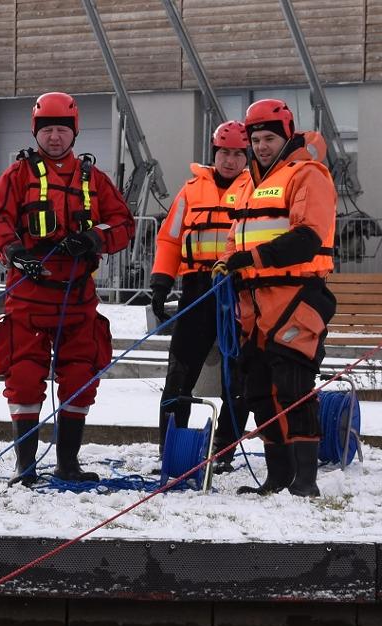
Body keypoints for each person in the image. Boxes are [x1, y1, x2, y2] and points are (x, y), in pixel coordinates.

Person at [0, 91, 136, 485]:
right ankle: (26, 467)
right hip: (29, 295)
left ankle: (69, 463)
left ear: (74, 133)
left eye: (61, 130)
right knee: (24, 377)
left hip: (78, 296)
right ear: (37, 132)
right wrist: (15, 251)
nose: (54, 137)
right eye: (47, 129)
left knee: (80, 377)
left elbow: (123, 224)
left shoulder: (95, 180)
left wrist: (93, 240)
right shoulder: (16, 176)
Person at [219, 99, 339, 497]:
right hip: (253, 302)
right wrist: (228, 263)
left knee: (293, 385)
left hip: (297, 295)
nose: (262, 146)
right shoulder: (249, 183)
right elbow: (239, 236)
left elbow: (308, 238)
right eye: (256, 139)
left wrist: (249, 258)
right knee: (259, 389)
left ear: (287, 136)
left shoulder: (308, 174)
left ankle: (305, 482)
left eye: (269, 138)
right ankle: (278, 476)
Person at [149, 120, 251, 471]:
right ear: (214, 153)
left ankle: (224, 451)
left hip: (238, 292)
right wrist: (161, 284)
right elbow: (170, 239)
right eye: (225, 153)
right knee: (179, 374)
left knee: (236, 378)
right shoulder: (191, 190)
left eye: (239, 154)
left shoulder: (256, 189)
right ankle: (171, 450)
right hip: (195, 290)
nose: (231, 160)